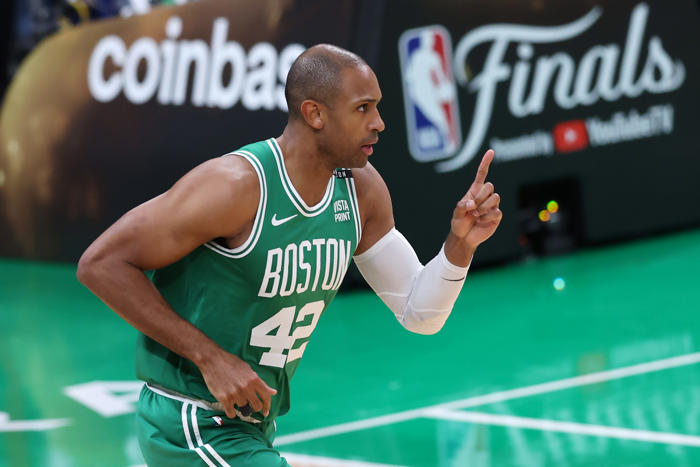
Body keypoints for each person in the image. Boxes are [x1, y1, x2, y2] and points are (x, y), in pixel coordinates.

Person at [77, 43, 502, 466]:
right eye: (363, 109)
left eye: (378, 107)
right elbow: (101, 264)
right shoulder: (235, 186)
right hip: (189, 420)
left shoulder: (361, 190)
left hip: (252, 424)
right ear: (315, 113)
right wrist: (210, 357)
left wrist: (460, 245)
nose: (379, 123)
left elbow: (420, 314)